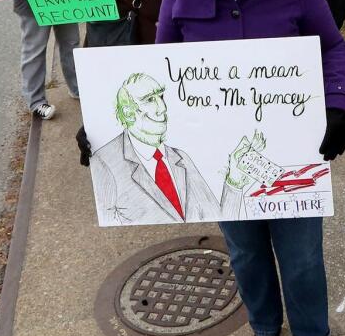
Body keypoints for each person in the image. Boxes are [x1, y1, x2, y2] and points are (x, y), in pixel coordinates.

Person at [156, 0, 345, 336]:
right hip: (218, 151)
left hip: (290, 147)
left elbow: (332, 46)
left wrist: (336, 106)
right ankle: (265, 329)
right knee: (245, 250)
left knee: (303, 254)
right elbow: (158, 69)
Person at [90, 73, 244, 225]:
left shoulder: (179, 158)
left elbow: (217, 214)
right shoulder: (106, 162)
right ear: (128, 113)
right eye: (150, 100)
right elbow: (105, 227)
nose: (162, 108)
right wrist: (93, 131)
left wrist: (234, 183)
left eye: (161, 97)